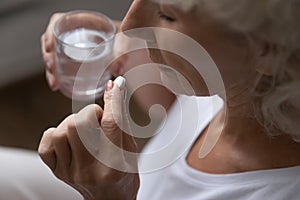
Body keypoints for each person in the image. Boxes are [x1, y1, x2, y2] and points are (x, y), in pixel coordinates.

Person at [39, 0, 300, 200]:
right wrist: (123, 49)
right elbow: (174, 114)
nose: (128, 26)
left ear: (268, 49)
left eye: (167, 14)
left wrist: (108, 196)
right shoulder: (222, 87)